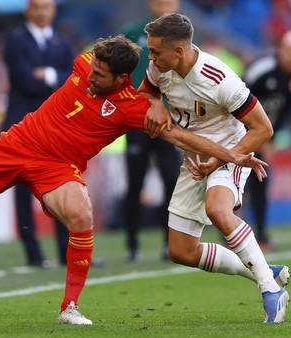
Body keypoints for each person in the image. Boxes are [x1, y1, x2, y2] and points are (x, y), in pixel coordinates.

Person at [0, 35, 267, 325]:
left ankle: (69, 307)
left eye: (99, 75)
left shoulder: (133, 107)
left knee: (81, 213)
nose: (90, 74)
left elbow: (179, 134)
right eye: (91, 68)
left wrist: (233, 155)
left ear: (119, 80)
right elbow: (118, 54)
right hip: (16, 145)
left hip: (58, 168)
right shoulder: (83, 62)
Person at [141, 13, 290, 323]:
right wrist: (154, 101)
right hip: (193, 160)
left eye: (156, 51)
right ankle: (263, 269)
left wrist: (223, 158)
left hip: (230, 153)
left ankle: (271, 291)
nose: (151, 57)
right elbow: (148, 92)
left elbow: (263, 129)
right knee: (181, 251)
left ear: (179, 51)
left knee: (218, 211)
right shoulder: (159, 66)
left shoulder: (219, 79)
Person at [1, 0, 75, 268]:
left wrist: (48, 74)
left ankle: (65, 251)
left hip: (55, 125)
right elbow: (23, 80)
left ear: (53, 11)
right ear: (27, 10)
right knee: (22, 189)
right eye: (37, 7)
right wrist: (55, 81)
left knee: (63, 184)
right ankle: (33, 255)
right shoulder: (15, 40)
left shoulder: (63, 42)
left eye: (46, 7)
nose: (42, 12)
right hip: (22, 124)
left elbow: (73, 80)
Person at [121, 0, 182, 262]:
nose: (164, 5)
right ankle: (132, 244)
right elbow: (121, 73)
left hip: (168, 122)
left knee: (172, 182)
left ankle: (170, 244)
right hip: (137, 120)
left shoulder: (184, 36)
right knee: (135, 183)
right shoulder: (133, 33)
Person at [243, 29, 291, 251]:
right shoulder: (261, 70)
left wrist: (270, 138)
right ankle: (229, 232)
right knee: (233, 181)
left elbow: (285, 111)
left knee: (261, 179)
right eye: (290, 50)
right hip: (236, 128)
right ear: (280, 49)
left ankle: (260, 234)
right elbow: (236, 99)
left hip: (261, 133)